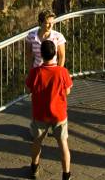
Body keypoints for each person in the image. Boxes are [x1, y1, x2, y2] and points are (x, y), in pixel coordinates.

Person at [26, 39, 73, 180]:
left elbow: (29, 89)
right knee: (63, 143)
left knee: (37, 141)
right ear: (55, 54)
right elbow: (68, 91)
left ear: (41, 54)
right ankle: (66, 174)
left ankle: (34, 168)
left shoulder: (35, 72)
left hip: (40, 113)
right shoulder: (62, 72)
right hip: (59, 114)